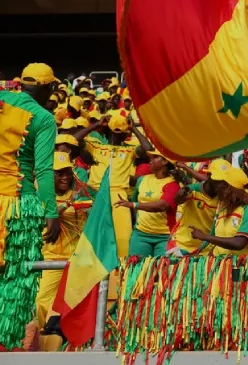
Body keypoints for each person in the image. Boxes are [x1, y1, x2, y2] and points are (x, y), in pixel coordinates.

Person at [0, 63, 61, 350]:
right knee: (16, 280)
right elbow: (44, 170)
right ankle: (6, 345)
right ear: (48, 88)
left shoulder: (2, 100)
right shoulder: (44, 118)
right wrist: (51, 212)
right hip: (17, 206)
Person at [73, 114, 152, 257]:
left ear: (125, 134)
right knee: (92, 234)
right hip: (95, 193)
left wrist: (134, 129)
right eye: (114, 132)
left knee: (123, 237)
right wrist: (96, 125)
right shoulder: (96, 146)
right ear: (108, 130)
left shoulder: (130, 150)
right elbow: (74, 139)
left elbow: (148, 149)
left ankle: (121, 267)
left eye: (120, 133)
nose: (116, 136)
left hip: (118, 195)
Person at [35, 153, 91, 328]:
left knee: (75, 306)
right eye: (59, 173)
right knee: (41, 301)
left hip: (76, 260)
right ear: (49, 175)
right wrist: (68, 203)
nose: (65, 177)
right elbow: (46, 219)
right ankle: (39, 335)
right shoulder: (42, 196)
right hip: (51, 259)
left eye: (67, 172)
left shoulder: (81, 195)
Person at [115, 150, 181, 257]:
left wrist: (133, 205)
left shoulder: (173, 184)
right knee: (135, 266)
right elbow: (135, 200)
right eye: (150, 158)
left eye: (154, 158)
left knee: (161, 267)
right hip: (140, 234)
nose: (150, 161)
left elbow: (162, 206)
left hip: (165, 237)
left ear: (165, 161)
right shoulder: (142, 180)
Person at [192, 166, 248, 256]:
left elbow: (239, 243)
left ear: (231, 189)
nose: (217, 189)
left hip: (240, 263)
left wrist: (205, 237)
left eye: (222, 186)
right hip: (219, 262)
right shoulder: (223, 208)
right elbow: (218, 244)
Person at [169, 159, 228, 255]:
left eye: (225, 181)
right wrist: (181, 194)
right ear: (208, 176)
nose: (221, 184)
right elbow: (177, 200)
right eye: (218, 180)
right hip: (182, 246)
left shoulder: (225, 198)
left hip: (206, 249)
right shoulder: (193, 189)